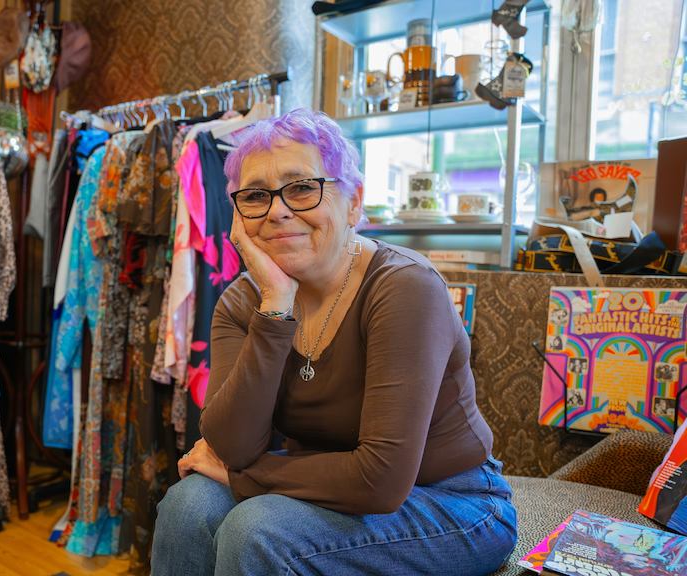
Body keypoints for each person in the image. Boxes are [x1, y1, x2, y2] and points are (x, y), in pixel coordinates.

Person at [151, 108, 517, 576]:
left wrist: (245, 478)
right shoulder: (244, 303)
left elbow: (381, 481)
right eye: (256, 196)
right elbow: (231, 445)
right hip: (321, 484)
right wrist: (276, 305)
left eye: (302, 187)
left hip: (452, 503)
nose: (278, 210)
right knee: (189, 504)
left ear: (353, 203)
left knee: (257, 529)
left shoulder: (405, 287)